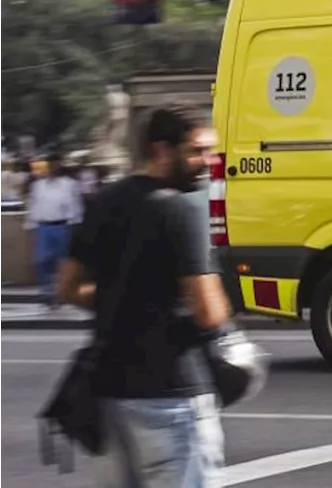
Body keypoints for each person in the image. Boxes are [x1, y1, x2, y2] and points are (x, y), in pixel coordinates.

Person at [55, 107, 232, 488]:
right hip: (173, 394)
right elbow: (208, 311)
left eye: (211, 151)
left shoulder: (106, 202)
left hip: (111, 396)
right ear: (161, 150)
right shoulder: (182, 207)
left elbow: (67, 286)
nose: (208, 162)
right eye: (197, 151)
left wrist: (122, 300)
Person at [23, 152, 83, 307]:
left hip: (62, 226)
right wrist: (30, 225)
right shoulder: (38, 186)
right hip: (44, 227)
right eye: (49, 165)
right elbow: (33, 206)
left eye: (55, 165)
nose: (51, 168)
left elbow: (75, 206)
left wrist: (75, 225)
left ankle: (61, 293)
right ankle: (47, 292)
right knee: (42, 260)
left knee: (62, 262)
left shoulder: (69, 184)